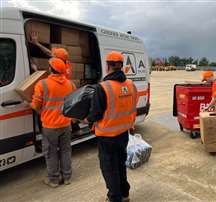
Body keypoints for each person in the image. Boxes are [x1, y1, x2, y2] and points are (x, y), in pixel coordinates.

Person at [85, 51, 137, 202]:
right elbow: (132, 107)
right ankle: (125, 194)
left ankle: (114, 197)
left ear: (108, 66)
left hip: (107, 137)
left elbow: (96, 114)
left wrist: (85, 119)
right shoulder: (130, 85)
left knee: (109, 169)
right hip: (123, 134)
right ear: (121, 66)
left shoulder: (103, 87)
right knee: (120, 165)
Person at [31, 58, 75, 188]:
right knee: (66, 151)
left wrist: (29, 103)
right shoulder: (70, 84)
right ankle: (67, 177)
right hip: (66, 125)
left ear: (50, 69)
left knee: (51, 153)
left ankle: (54, 180)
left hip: (50, 126)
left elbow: (36, 105)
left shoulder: (42, 84)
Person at [30, 32, 81, 134]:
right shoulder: (66, 63)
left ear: (58, 59)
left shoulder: (59, 68)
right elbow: (50, 53)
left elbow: (49, 81)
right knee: (66, 111)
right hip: (65, 93)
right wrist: (37, 43)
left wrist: (36, 71)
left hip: (57, 93)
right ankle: (75, 128)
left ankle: (68, 129)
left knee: (46, 112)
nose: (52, 55)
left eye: (54, 55)